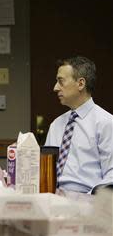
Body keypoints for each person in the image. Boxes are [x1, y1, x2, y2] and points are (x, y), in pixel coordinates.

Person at [45, 56, 113, 194]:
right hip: (52, 198)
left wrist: (89, 199)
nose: (55, 88)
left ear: (80, 84)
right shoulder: (56, 125)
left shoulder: (106, 123)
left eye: (60, 81)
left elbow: (111, 174)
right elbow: (45, 169)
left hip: (89, 199)